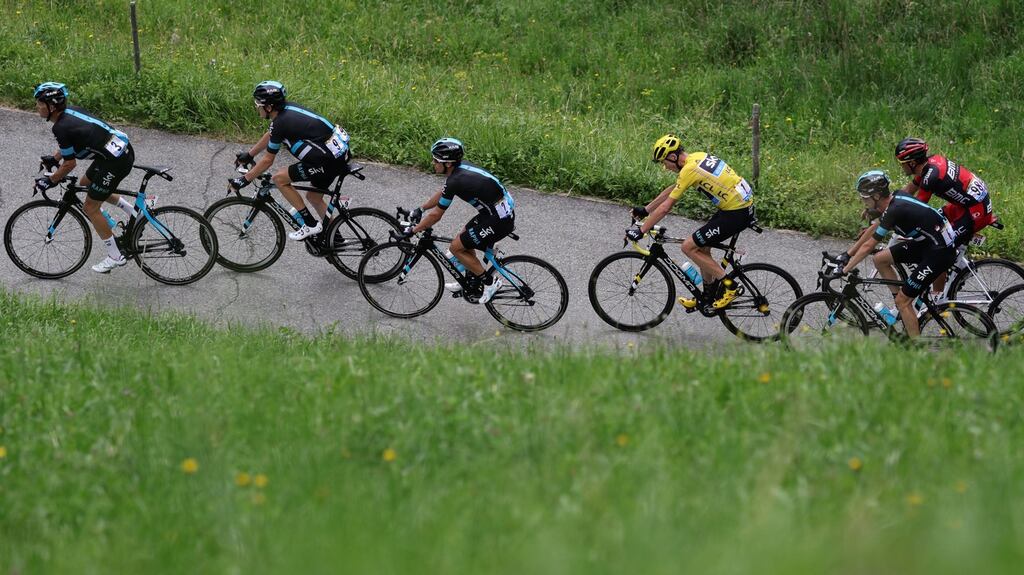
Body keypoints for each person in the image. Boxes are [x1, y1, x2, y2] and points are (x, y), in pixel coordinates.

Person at [629, 134, 755, 309]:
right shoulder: (697, 157)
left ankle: (731, 287)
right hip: (737, 207)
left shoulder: (689, 170)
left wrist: (642, 230)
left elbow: (666, 208)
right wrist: (646, 210)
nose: (665, 167)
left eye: (664, 162)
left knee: (688, 247)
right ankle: (708, 296)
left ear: (673, 157)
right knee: (702, 248)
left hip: (736, 212)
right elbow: (674, 188)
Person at [33, 82, 139, 273]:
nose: (37, 107)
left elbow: (69, 164)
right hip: (116, 153)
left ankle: (116, 256)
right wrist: (54, 159)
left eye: (40, 103)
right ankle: (133, 212)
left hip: (115, 162)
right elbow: (71, 143)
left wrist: (50, 180)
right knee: (85, 184)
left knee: (90, 207)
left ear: (52, 107)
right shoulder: (71, 112)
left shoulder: (60, 127)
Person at [836, 171, 957, 337]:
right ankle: (899, 303)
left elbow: (869, 245)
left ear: (876, 196)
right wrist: (848, 254)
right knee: (880, 259)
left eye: (865, 197)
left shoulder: (894, 211)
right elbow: (877, 225)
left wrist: (845, 269)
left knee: (903, 301)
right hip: (929, 244)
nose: (863, 201)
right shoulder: (894, 200)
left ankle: (914, 346)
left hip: (940, 252)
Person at [230, 81, 352, 241]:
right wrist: (250, 155)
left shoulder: (280, 123)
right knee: (313, 197)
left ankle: (310, 224)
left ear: (269, 107)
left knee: (279, 179)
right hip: (337, 155)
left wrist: (244, 179)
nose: (256, 108)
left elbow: (267, 160)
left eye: (258, 105)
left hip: (327, 161)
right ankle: (335, 240)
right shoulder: (286, 111)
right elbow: (272, 133)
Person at [402, 138, 515, 305]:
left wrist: (414, 230)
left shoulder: (456, 180)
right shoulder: (459, 171)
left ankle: (490, 283)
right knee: (462, 237)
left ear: (448, 163)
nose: (433, 163)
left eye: (436, 160)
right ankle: (472, 279)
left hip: (498, 220)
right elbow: (444, 192)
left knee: (456, 247)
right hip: (494, 213)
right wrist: (421, 209)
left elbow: (436, 215)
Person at [895, 137, 995, 247]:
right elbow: (908, 190)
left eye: (902, 163)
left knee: (937, 243)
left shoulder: (931, 177)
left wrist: (894, 218)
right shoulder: (928, 165)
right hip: (965, 205)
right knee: (934, 226)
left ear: (912, 163)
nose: (901, 166)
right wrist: (888, 202)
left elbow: (917, 208)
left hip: (977, 213)